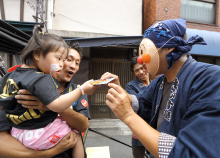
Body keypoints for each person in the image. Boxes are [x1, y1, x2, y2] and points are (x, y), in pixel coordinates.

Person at [101, 18, 220, 158]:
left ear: (171, 47)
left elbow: (191, 152)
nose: (140, 59)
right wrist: (121, 93)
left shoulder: (210, 78)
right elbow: (142, 103)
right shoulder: (160, 82)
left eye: (147, 50)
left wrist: (128, 115)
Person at [0, 26, 96, 157]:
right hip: (32, 140)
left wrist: (47, 106)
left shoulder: (12, 78)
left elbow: (84, 125)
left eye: (78, 63)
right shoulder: (39, 80)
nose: (72, 65)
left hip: (22, 136)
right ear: (39, 55)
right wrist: (50, 153)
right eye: (66, 59)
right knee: (75, 136)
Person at [126, 56, 150, 158]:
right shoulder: (131, 86)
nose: (141, 72)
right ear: (134, 73)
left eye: (142, 68)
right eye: (137, 70)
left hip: (156, 130)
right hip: (139, 131)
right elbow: (139, 109)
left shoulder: (156, 83)